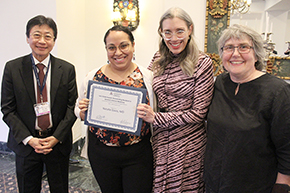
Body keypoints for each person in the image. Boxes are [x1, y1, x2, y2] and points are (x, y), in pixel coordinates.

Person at [204, 24, 290, 193]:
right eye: (229, 48)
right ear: (222, 55)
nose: (235, 54)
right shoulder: (220, 83)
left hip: (255, 185)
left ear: (256, 54)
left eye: (243, 47)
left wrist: (283, 185)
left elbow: (287, 146)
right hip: (215, 183)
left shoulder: (278, 91)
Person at [137, 7, 214, 192]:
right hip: (161, 139)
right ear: (161, 33)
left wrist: (156, 118)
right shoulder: (157, 58)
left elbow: (199, 113)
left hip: (189, 142)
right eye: (168, 32)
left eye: (179, 31)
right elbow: (144, 89)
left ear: (190, 29)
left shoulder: (203, 62)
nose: (174, 38)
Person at [1, 15, 78, 193]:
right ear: (28, 38)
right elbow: (8, 109)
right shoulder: (13, 68)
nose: (42, 41)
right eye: (36, 35)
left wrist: (56, 137)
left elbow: (71, 108)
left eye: (48, 36)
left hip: (57, 143)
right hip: (27, 144)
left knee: (60, 189)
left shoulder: (66, 69)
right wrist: (30, 140)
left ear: (54, 40)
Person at [75, 25, 154, 193]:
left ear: (133, 45)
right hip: (102, 154)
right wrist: (82, 112)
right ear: (106, 50)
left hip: (138, 154)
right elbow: (78, 107)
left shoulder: (148, 77)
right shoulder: (92, 77)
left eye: (123, 45)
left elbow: (157, 112)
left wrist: (151, 115)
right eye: (111, 47)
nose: (118, 52)